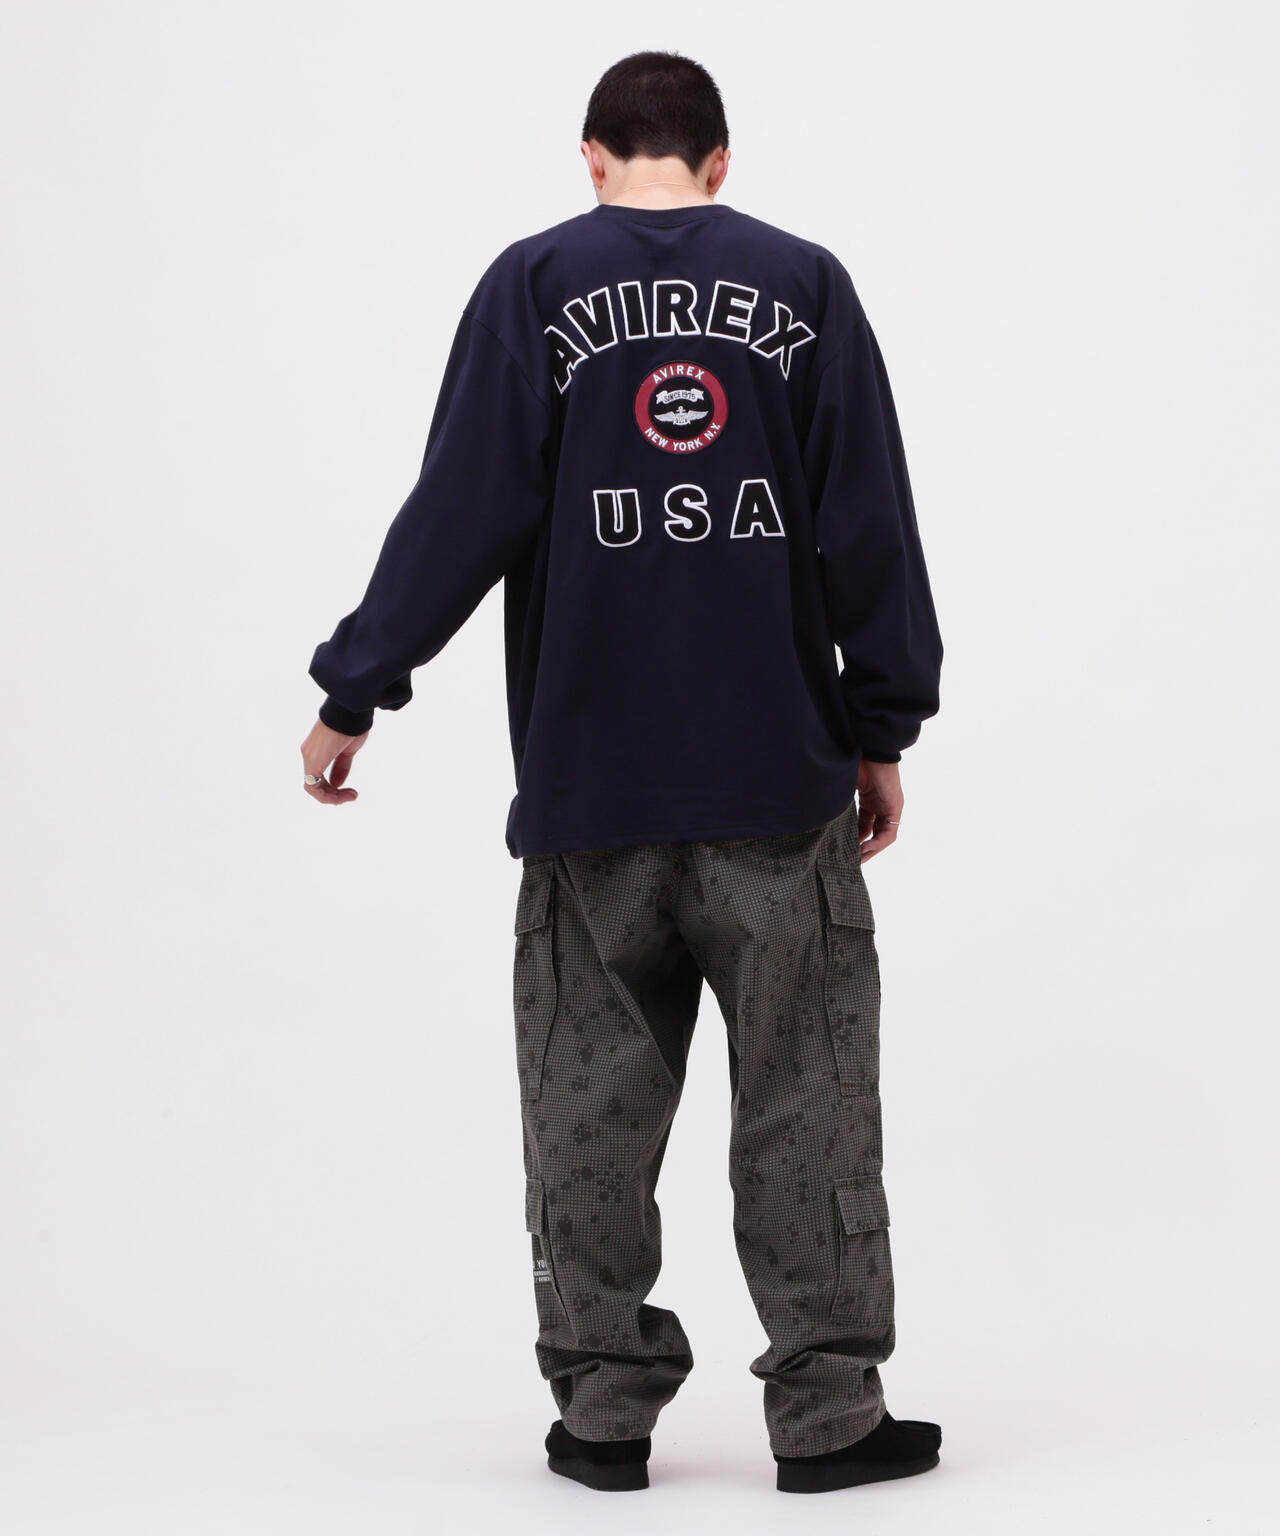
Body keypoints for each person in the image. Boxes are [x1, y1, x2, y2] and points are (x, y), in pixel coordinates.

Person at [301, 49, 945, 1496]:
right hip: (777, 787)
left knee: (587, 1109)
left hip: (592, 792)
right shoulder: (805, 285)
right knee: (806, 1099)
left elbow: (459, 509)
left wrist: (358, 686)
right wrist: (882, 726)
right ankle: (830, 1420)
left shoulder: (532, 286)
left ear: (591, 158)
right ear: (719, 163)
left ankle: (602, 1417)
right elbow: (870, 522)